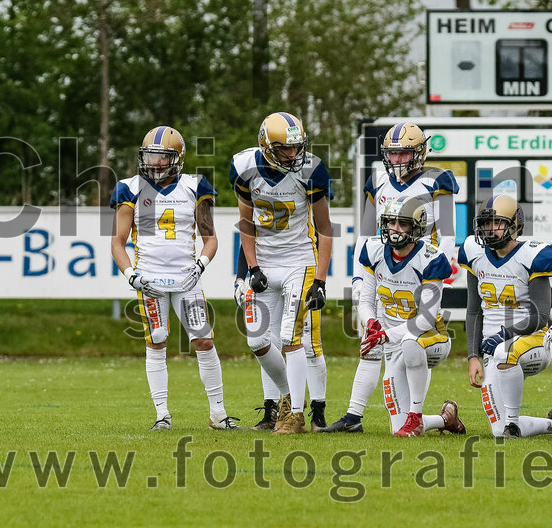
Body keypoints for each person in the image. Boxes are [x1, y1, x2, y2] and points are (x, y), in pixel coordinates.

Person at [322, 122, 458, 433]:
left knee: (409, 340)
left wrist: (436, 267)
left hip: (420, 272)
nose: (397, 160)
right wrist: (359, 278)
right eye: (392, 154)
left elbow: (448, 234)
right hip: (386, 269)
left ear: (419, 153)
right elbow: (366, 234)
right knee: (371, 343)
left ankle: (415, 413)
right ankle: (353, 416)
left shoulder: (438, 180)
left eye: (403, 153)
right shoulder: (378, 182)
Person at [111, 126, 240, 431]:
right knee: (156, 341)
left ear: (177, 158)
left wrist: (200, 265)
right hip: (150, 279)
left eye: (162, 156)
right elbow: (118, 241)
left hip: (186, 278)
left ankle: (218, 414)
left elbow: (211, 238)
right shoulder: (129, 188)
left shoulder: (195, 186)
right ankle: (162, 415)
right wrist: (132, 275)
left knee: (204, 341)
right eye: (150, 156)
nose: (154, 162)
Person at [229, 112, 333, 434]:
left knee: (290, 336)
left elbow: (325, 228)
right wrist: (251, 267)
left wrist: (320, 281)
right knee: (258, 340)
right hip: (264, 261)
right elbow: (246, 223)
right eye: (284, 149)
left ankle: (296, 415)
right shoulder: (244, 167)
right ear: (265, 145)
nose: (292, 154)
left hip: (298, 261)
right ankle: (287, 397)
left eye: (296, 147)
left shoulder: (311, 170)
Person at [355, 195, 466, 436]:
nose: (394, 229)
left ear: (416, 227)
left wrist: (385, 335)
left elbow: (425, 319)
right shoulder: (374, 251)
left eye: (402, 223)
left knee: (410, 340)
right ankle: (445, 419)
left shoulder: (430, 258)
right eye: (390, 222)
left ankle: (416, 416)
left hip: (430, 338)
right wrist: (371, 323)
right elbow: (365, 301)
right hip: (393, 343)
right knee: (397, 428)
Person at [460, 195, 552, 439]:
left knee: (504, 352)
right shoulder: (475, 254)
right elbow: (474, 311)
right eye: (485, 223)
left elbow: (540, 315)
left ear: (514, 226)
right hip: (492, 350)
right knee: (497, 429)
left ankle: (514, 425)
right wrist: (474, 355)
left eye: (497, 223)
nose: (489, 229)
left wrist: (505, 335)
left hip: (533, 341)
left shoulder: (532, 256)